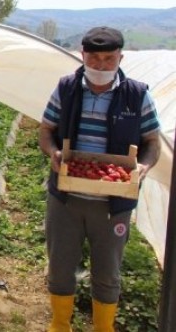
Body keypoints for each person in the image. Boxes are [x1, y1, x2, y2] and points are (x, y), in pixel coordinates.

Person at [38, 26, 161, 332]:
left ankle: (103, 328)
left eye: (109, 59)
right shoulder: (66, 88)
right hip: (66, 197)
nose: (101, 66)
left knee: (108, 271)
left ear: (121, 57)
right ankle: (60, 324)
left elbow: (152, 142)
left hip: (114, 203)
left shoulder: (137, 94)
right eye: (95, 58)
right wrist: (53, 153)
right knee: (61, 265)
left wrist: (143, 168)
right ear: (83, 55)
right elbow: (45, 130)